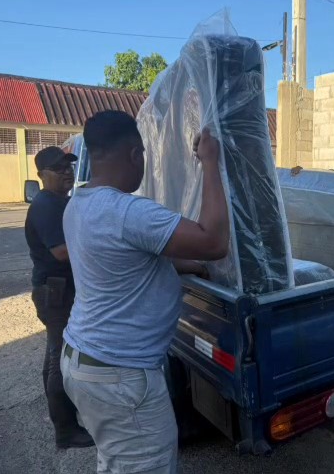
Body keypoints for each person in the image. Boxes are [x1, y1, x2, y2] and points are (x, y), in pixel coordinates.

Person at [60, 110, 229, 474]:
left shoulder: (78, 204)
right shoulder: (128, 212)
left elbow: (128, 259)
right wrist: (211, 162)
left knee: (117, 461)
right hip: (119, 376)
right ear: (136, 154)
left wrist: (190, 266)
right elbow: (214, 241)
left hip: (82, 361)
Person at [24, 146, 94, 449]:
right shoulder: (46, 205)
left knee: (55, 354)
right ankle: (65, 430)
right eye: (58, 168)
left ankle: (63, 415)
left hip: (56, 289)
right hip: (56, 291)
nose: (67, 172)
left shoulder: (59, 201)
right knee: (59, 359)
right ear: (41, 176)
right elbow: (62, 252)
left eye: (69, 166)